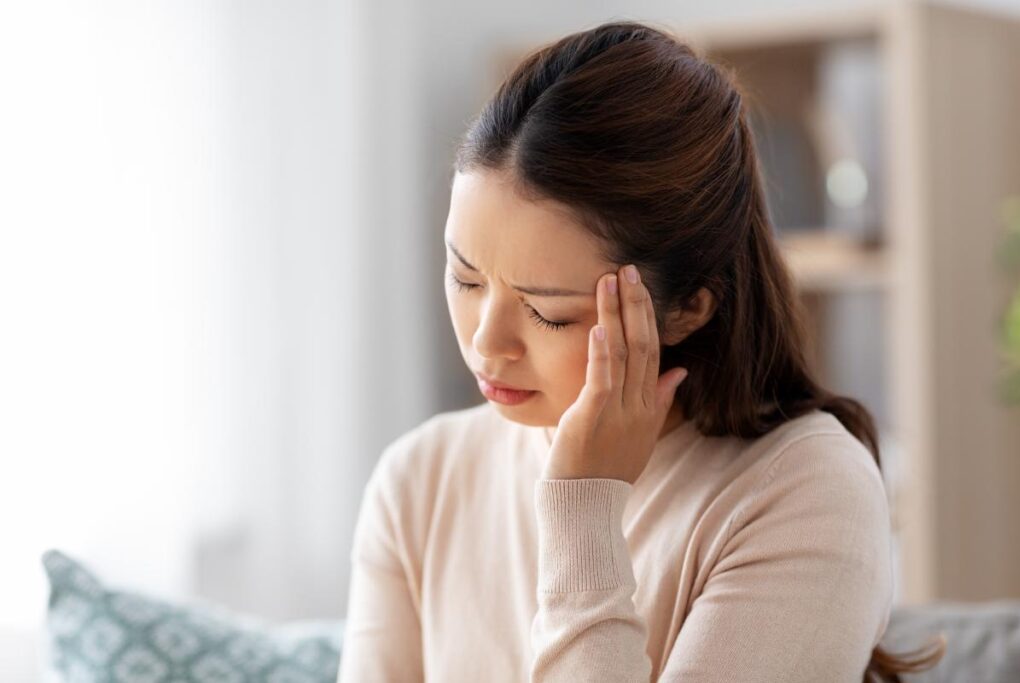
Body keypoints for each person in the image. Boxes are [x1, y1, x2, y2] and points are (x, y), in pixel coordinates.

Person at [338, 20, 945, 682]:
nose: (487, 341)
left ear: (687, 307)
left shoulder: (805, 490)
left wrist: (583, 506)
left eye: (548, 312)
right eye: (465, 277)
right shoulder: (420, 480)